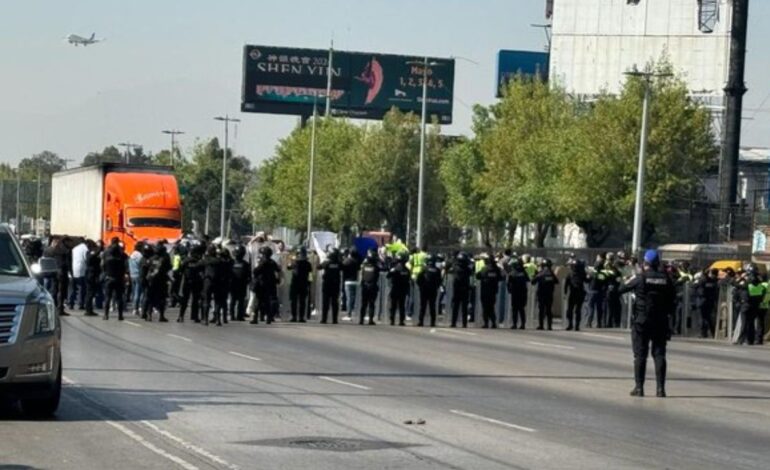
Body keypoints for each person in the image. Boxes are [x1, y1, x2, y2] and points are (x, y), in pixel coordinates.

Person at [619, 249, 675, 398]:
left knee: (640, 355)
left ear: (645, 263)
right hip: (661, 321)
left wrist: (627, 280)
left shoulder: (640, 278)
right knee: (659, 354)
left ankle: (639, 388)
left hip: (642, 321)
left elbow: (621, 289)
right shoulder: (666, 279)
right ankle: (660, 389)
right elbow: (673, 300)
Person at [251, 246, 281, 325]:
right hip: (270, 284)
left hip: (261, 284)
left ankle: (255, 318)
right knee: (267, 302)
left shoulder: (262, 262)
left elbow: (255, 271)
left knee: (258, 301)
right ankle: (268, 318)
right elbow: (278, 270)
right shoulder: (272, 262)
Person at [142, 243, 172, 323]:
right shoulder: (165, 259)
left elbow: (145, 267)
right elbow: (169, 267)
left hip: (151, 281)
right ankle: (161, 316)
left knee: (150, 298)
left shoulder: (151, 259)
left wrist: (145, 279)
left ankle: (149, 315)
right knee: (162, 299)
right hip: (161, 281)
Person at [102, 237, 128, 321]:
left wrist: (105, 272)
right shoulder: (122, 253)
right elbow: (125, 265)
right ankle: (120, 315)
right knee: (119, 297)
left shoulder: (106, 252)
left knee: (107, 297)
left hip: (109, 276)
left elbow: (102, 265)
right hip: (119, 278)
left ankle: (106, 315)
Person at [45, 236, 72, 316]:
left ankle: (54, 307)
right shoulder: (65, 250)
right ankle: (60, 308)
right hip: (62, 272)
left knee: (54, 289)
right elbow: (67, 262)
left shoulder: (50, 250)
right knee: (61, 290)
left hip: (53, 271)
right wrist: (71, 272)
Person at [178, 244, 204, 323]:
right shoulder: (199, 261)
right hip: (195, 282)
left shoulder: (186, 260)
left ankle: (181, 316)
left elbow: (180, 270)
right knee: (194, 300)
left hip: (189, 282)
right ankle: (193, 317)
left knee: (186, 300)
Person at [476, 254, 503, 329]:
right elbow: (501, 278)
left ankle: (486, 323)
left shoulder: (484, 269)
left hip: (485, 291)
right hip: (493, 291)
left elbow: (478, 276)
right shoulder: (496, 269)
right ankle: (493, 322)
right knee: (491, 307)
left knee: (485, 307)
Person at [532, 259, 558, 331]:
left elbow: (533, 281)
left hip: (541, 294)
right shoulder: (551, 274)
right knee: (549, 310)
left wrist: (535, 275)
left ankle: (541, 325)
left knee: (541, 310)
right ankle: (549, 326)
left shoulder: (541, 273)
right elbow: (556, 281)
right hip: (549, 294)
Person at [416, 255, 442, 327]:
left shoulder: (424, 269)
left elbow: (418, 279)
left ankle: (421, 321)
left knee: (423, 306)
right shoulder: (437, 270)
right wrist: (436, 287)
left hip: (424, 290)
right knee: (432, 307)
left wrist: (421, 286)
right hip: (433, 290)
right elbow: (439, 281)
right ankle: (432, 322)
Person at [319, 248, 343, 324]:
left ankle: (324, 319)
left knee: (325, 303)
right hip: (335, 285)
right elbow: (344, 267)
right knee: (334, 303)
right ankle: (334, 319)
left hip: (327, 285)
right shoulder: (339, 263)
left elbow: (318, 267)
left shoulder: (327, 262)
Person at [288, 247, 312, 323]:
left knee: (294, 301)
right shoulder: (308, 264)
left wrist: (291, 259)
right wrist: (309, 283)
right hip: (304, 284)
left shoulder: (295, 262)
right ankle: (301, 317)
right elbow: (310, 275)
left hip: (295, 284)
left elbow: (288, 267)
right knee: (302, 302)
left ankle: (294, 316)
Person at [449, 252, 473, 328]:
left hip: (457, 290)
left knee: (456, 307)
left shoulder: (455, 267)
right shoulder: (467, 269)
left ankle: (454, 323)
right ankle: (464, 323)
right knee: (463, 308)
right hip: (464, 289)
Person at [694, 268, 719, 338]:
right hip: (710, 301)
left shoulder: (702, 280)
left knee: (702, 318)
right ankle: (713, 332)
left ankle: (703, 333)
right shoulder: (713, 281)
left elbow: (696, 287)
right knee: (709, 318)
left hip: (702, 300)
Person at [387, 253, 411, 326]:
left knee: (394, 305)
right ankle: (401, 321)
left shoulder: (395, 269)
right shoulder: (407, 270)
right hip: (402, 290)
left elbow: (388, 276)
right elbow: (408, 279)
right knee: (401, 306)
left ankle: (392, 320)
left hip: (395, 289)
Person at [359, 249, 381, 325]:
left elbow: (362, 273)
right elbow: (381, 269)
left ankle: (361, 320)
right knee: (371, 304)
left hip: (365, 286)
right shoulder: (376, 266)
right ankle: (370, 320)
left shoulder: (364, 265)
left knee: (364, 304)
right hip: (373, 286)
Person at [201, 245, 221, 326]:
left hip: (208, 281)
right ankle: (218, 320)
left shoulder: (206, 260)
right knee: (217, 301)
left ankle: (205, 320)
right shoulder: (218, 260)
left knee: (206, 300)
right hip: (217, 282)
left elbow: (197, 266)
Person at [564, 259, 587, 331]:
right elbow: (566, 284)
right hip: (574, 294)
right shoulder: (571, 274)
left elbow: (587, 280)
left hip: (578, 294)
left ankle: (576, 325)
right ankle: (571, 324)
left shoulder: (581, 274)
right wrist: (565, 293)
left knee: (577, 310)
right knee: (571, 310)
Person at [229, 245, 251, 322]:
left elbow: (249, 275)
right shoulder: (232, 263)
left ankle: (236, 315)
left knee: (236, 300)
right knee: (237, 300)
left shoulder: (232, 263)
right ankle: (236, 316)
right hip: (238, 284)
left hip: (239, 284)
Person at [507, 258, 529, 329]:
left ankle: (515, 324)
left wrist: (509, 290)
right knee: (521, 309)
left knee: (515, 309)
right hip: (522, 293)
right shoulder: (524, 273)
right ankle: (522, 324)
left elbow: (508, 283)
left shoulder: (513, 273)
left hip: (516, 293)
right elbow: (528, 280)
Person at [68, 238, 88, 312]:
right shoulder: (84, 248)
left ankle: (71, 303)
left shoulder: (74, 249)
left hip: (74, 269)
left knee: (73, 288)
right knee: (82, 288)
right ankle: (81, 304)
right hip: (82, 270)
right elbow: (86, 258)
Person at [83, 240, 101, 317]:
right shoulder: (90, 253)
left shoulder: (91, 252)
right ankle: (88, 309)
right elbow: (90, 259)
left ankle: (89, 309)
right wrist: (98, 250)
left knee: (91, 293)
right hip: (91, 274)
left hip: (93, 274)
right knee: (89, 293)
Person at [341, 250, 361, 318]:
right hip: (355, 281)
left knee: (349, 298)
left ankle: (349, 314)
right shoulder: (357, 262)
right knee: (354, 298)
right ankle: (355, 312)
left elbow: (342, 268)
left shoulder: (346, 261)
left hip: (348, 281)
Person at [128, 241, 145, 316]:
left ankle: (134, 308)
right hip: (138, 275)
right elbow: (141, 266)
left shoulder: (131, 254)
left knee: (134, 292)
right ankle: (137, 308)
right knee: (139, 293)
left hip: (132, 275)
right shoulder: (140, 256)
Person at [605, 260, 623, 328]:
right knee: (612, 309)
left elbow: (618, 281)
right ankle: (611, 323)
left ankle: (612, 323)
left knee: (613, 309)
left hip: (613, 292)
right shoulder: (614, 272)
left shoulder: (615, 272)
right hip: (613, 292)